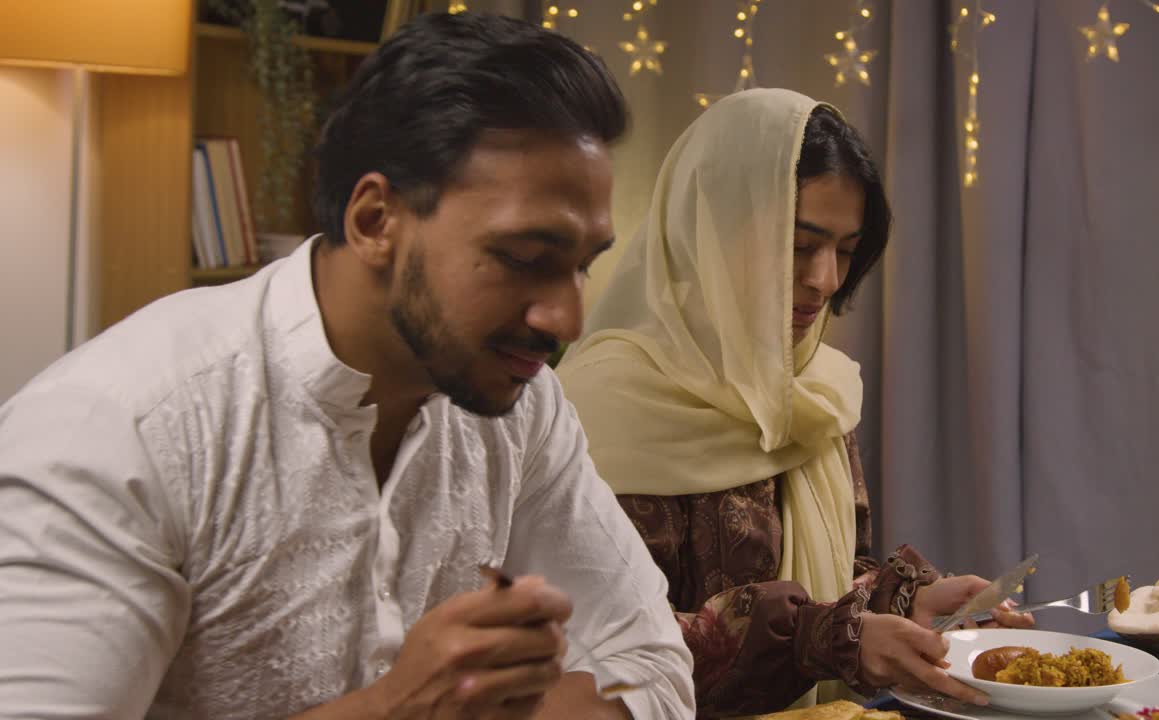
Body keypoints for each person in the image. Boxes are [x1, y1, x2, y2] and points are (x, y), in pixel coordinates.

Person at [0, 13, 694, 720]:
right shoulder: (126, 428)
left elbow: (654, 666)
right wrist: (398, 708)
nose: (567, 322)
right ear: (373, 221)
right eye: (522, 258)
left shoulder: (521, 405)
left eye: (582, 267)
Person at [557, 88, 1031, 717]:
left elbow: (835, 574)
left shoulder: (815, 391)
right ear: (708, 233)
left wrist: (905, 605)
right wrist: (826, 639)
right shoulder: (598, 407)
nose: (827, 280)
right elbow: (599, 650)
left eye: (845, 249)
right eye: (800, 245)